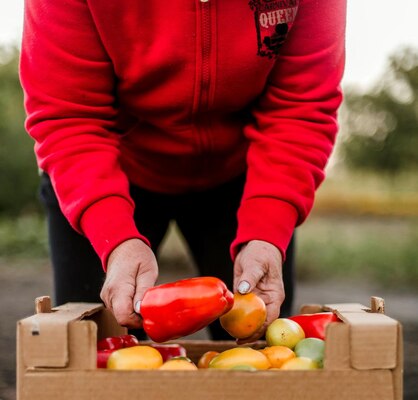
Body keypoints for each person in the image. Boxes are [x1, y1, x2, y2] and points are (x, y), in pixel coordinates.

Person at [19, 0, 346, 342]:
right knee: (93, 349)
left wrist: (267, 229)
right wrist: (112, 235)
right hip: (102, 174)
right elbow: (70, 115)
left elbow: (301, 108)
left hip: (246, 177)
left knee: (259, 351)